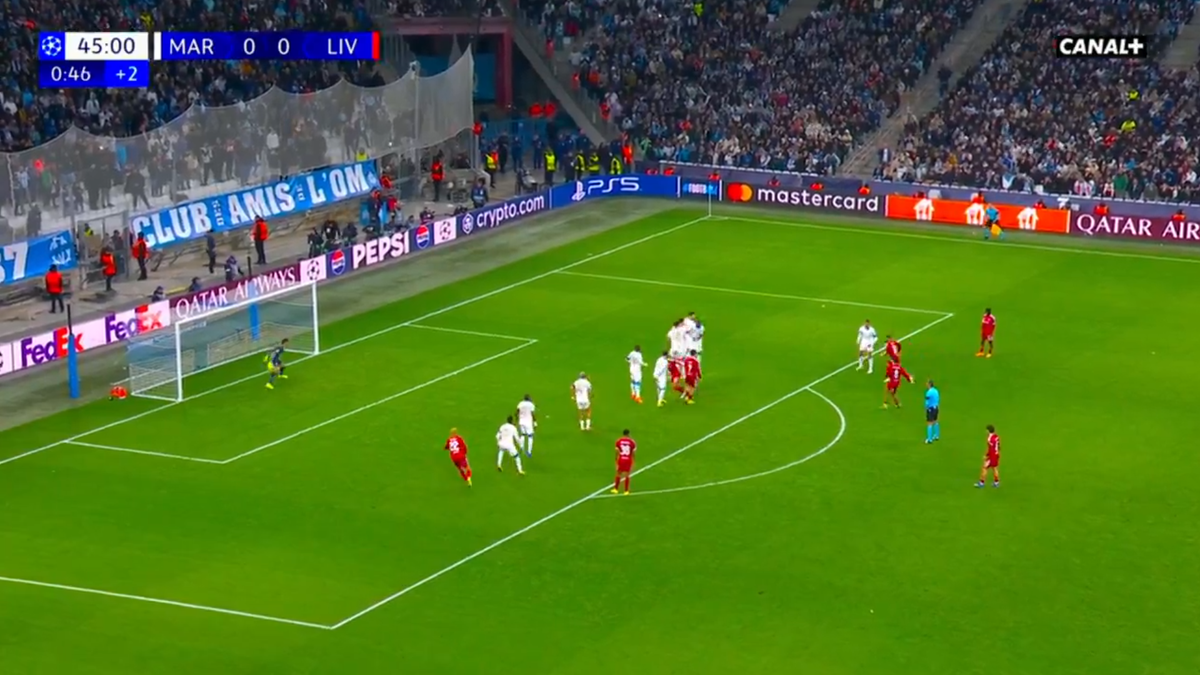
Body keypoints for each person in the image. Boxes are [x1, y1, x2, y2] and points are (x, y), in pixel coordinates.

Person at [611, 429, 637, 495]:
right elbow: (633, 453)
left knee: (618, 473)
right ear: (628, 434)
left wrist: (616, 459)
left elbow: (617, 451)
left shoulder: (619, 441)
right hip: (628, 459)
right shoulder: (632, 442)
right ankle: (626, 491)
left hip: (621, 459)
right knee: (627, 475)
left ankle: (616, 489)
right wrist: (633, 461)